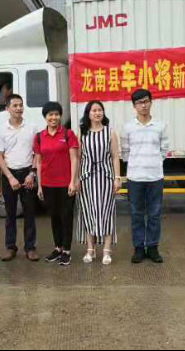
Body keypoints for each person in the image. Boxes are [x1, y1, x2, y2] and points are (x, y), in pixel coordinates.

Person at [121, 90, 169, 264]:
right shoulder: (128, 127)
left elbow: (164, 149)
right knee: (136, 214)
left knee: (155, 214)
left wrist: (153, 162)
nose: (143, 105)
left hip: (155, 177)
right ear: (134, 105)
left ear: (151, 103)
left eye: (146, 101)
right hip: (135, 178)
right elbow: (125, 152)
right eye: (139, 102)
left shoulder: (160, 126)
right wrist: (138, 164)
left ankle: (153, 247)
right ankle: (139, 248)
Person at [0, 94, 40, 262]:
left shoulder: (32, 127)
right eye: (15, 105)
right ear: (7, 108)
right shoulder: (0, 130)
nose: (19, 108)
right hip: (10, 174)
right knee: (10, 213)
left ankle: (30, 247)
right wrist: (9, 177)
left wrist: (32, 173)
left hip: (28, 173)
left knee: (30, 212)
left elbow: (37, 153)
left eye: (21, 105)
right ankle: (10, 246)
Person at [76, 101, 122, 265]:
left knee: (106, 212)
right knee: (88, 212)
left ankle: (107, 251)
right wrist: (76, 179)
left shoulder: (110, 132)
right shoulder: (82, 132)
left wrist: (117, 178)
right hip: (87, 177)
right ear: (88, 113)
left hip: (106, 177)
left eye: (100, 110)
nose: (97, 113)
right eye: (94, 110)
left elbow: (115, 157)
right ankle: (91, 249)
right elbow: (78, 158)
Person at [34, 102, 79, 266]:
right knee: (54, 216)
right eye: (50, 114)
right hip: (48, 184)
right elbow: (39, 162)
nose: (53, 117)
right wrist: (40, 185)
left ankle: (66, 250)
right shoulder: (39, 137)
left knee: (66, 216)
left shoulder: (68, 134)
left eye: (56, 114)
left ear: (60, 116)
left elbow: (74, 159)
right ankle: (58, 248)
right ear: (45, 117)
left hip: (65, 184)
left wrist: (73, 181)